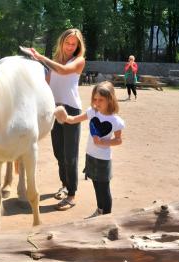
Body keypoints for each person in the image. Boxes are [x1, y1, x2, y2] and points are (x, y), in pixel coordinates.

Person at [29, 28, 86, 210]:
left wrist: (41, 58)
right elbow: (45, 83)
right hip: (54, 109)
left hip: (71, 109)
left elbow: (62, 71)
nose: (70, 46)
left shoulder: (78, 61)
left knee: (70, 155)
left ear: (78, 46)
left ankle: (72, 194)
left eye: (73, 44)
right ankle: (64, 184)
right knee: (59, 152)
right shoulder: (56, 61)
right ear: (61, 42)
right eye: (67, 43)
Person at [54, 81, 124, 216]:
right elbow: (73, 119)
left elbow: (119, 140)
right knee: (96, 186)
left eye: (101, 100)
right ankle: (99, 210)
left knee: (104, 189)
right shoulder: (92, 112)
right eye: (95, 99)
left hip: (103, 159)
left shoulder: (116, 120)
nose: (97, 102)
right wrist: (64, 116)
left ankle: (107, 217)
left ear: (110, 99)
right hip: (90, 155)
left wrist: (104, 141)